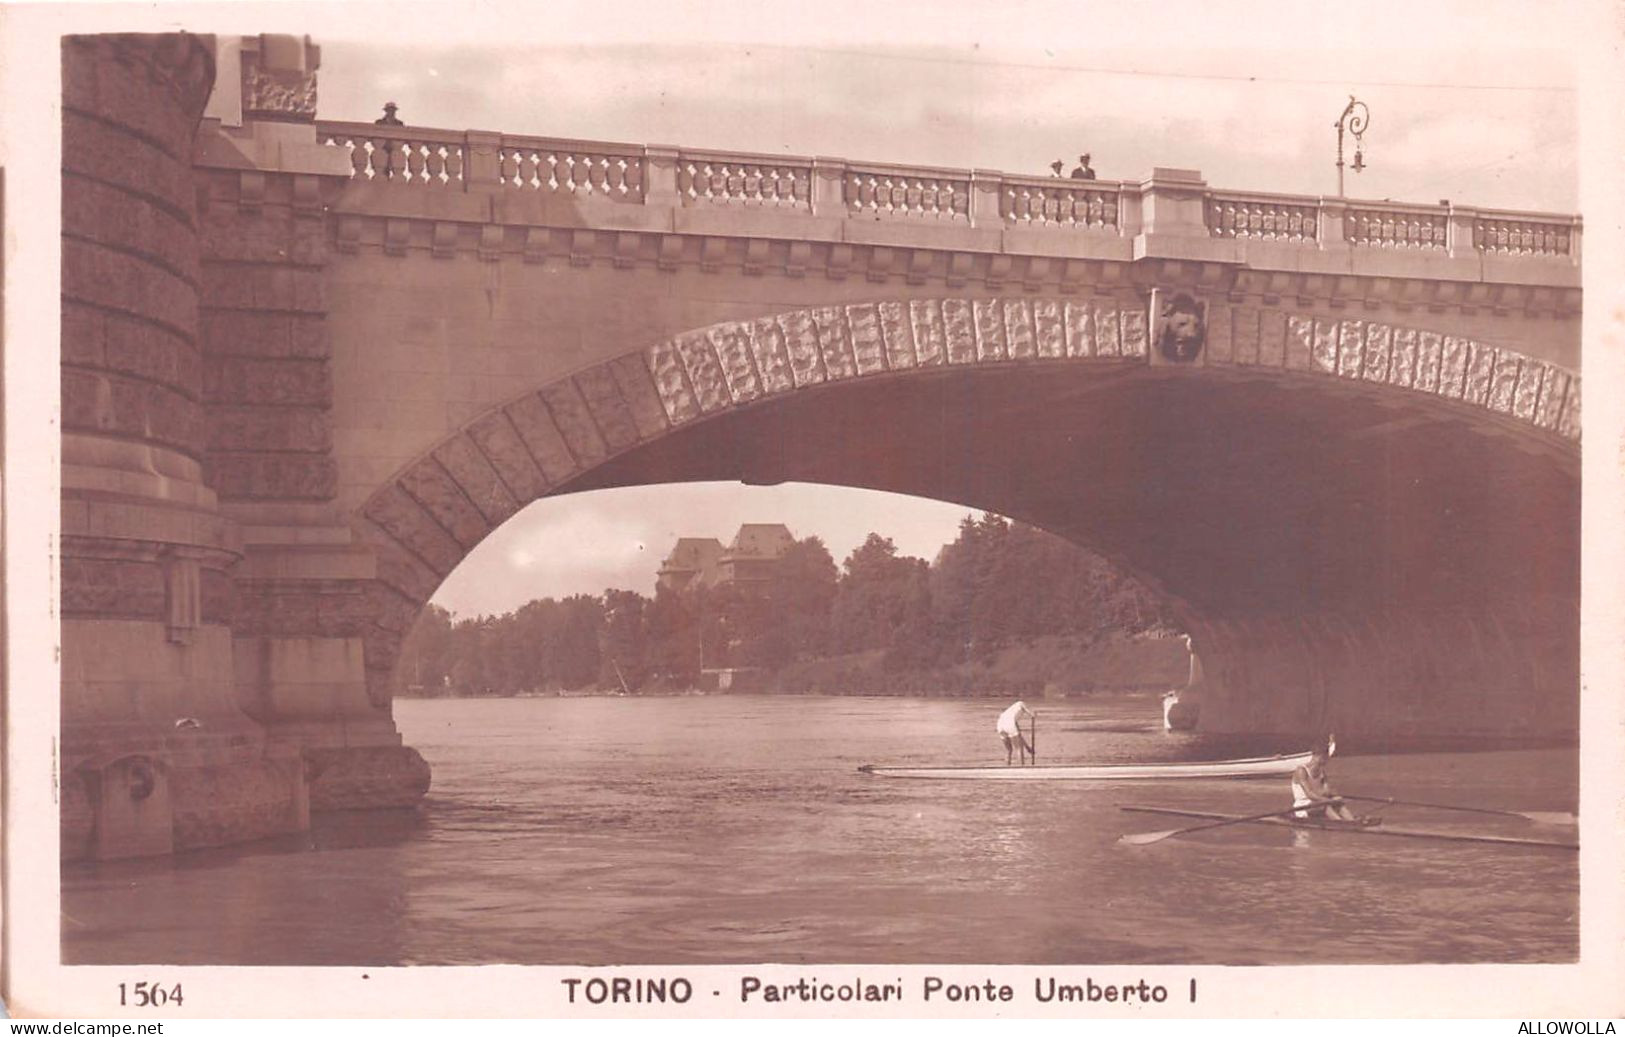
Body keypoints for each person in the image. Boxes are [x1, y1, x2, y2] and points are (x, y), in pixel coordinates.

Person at [1290, 743, 1361, 822]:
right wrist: (1328, 800)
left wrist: (1336, 797)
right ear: (1318, 756)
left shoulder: (1322, 772)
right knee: (1325, 805)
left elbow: (1327, 791)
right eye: (1326, 757)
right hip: (1303, 806)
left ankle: (1352, 821)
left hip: (1317, 803)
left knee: (1337, 803)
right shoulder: (1301, 771)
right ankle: (1341, 823)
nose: (1328, 760)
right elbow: (1310, 794)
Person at [996, 700, 1036, 765]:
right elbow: (1031, 714)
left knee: (1008, 750)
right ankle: (1022, 767)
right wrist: (1033, 715)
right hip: (1008, 723)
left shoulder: (1009, 713)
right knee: (1019, 748)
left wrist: (1028, 748)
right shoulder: (1021, 703)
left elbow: (1019, 736)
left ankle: (1007, 766)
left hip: (1000, 724)